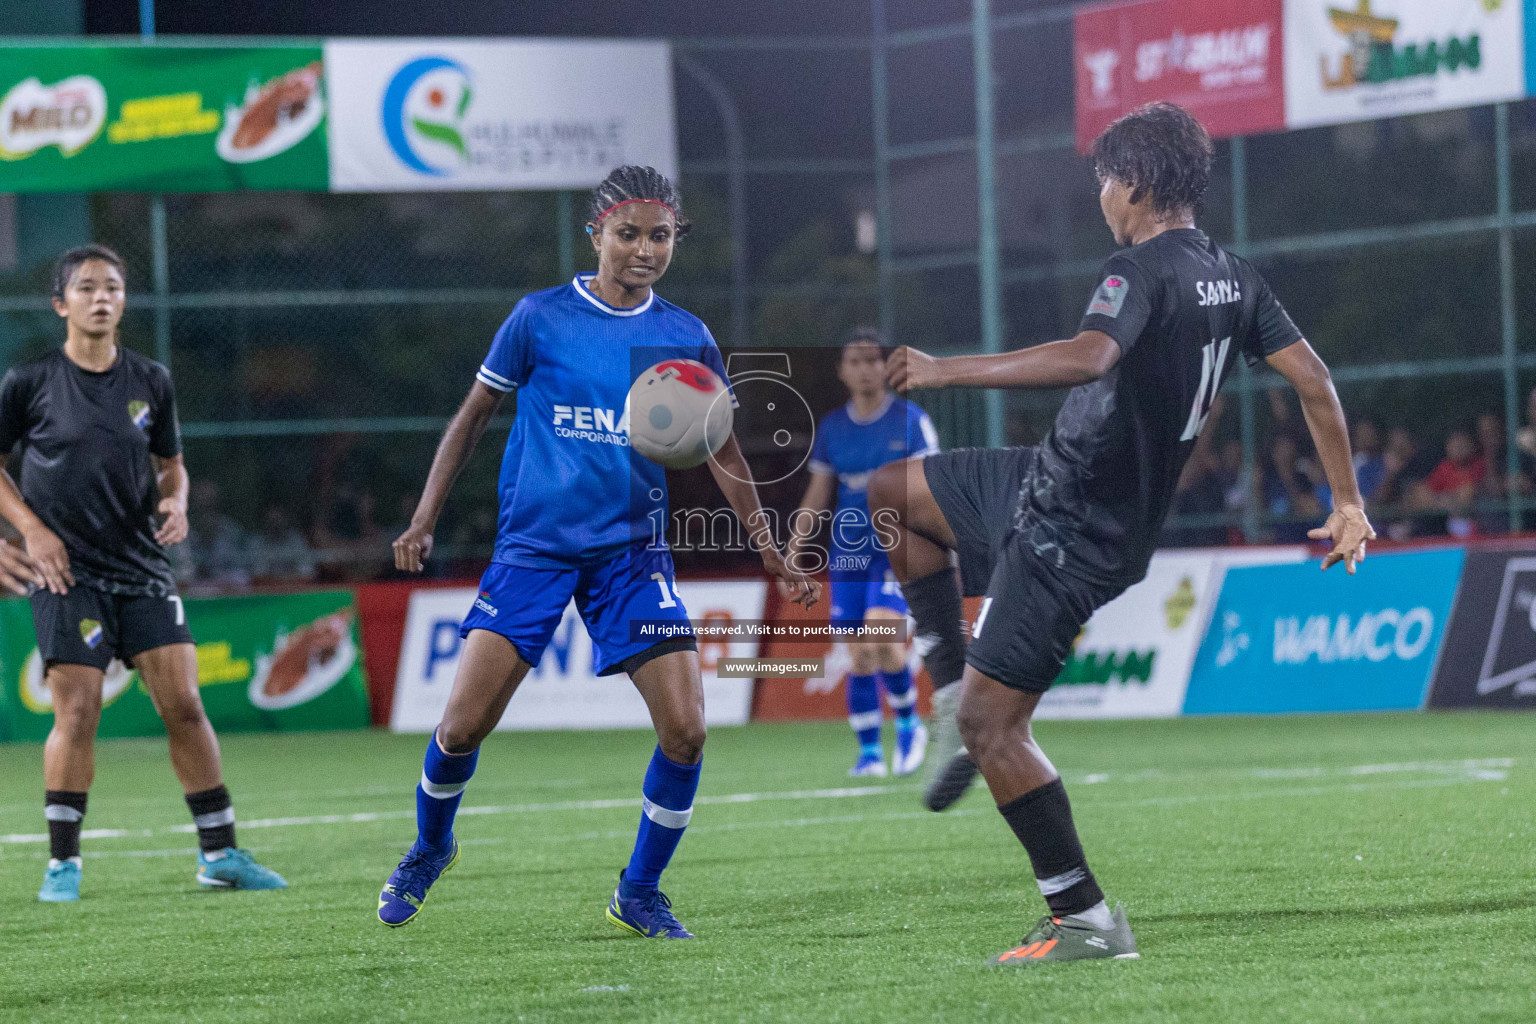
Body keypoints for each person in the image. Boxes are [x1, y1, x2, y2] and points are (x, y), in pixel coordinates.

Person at [868, 103, 1373, 964]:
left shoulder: (1137, 269)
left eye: (1104, 178)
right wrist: (1349, 502)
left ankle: (1086, 921)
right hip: (1048, 481)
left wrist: (947, 368)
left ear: (1135, 183)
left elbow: (1089, 356)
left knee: (1001, 730)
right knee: (893, 494)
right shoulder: (1235, 276)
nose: (1100, 193)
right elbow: (1315, 380)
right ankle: (950, 687)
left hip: (1073, 526)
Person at [378, 167, 819, 938]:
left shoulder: (686, 336)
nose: (644, 249)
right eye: (629, 234)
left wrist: (771, 550)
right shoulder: (540, 318)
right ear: (597, 236)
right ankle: (429, 847)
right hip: (535, 551)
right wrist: (423, 518)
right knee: (460, 729)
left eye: (660, 236)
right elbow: (475, 414)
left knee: (686, 730)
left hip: (632, 556)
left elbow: (721, 450)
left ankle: (639, 892)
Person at [0, 245, 286, 902]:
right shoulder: (29, 382)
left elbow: (170, 462)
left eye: (113, 287)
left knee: (185, 705)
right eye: (87, 287)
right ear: (60, 303)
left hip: (142, 568)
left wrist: (177, 498)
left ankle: (220, 854)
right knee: (78, 709)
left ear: (124, 300)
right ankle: (62, 865)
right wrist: (32, 530)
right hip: (68, 573)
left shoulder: (151, 380)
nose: (102, 297)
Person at [784, 329, 937, 778]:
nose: (865, 369)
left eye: (873, 360)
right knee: (859, 655)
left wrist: (941, 541)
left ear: (887, 367)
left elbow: (933, 485)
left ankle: (910, 722)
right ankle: (870, 753)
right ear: (842, 371)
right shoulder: (832, 428)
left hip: (899, 548)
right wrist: (792, 551)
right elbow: (817, 494)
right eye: (855, 361)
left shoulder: (911, 420)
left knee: (882, 638)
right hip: (848, 552)